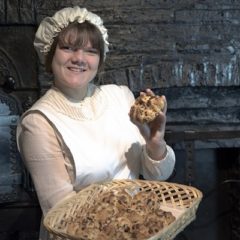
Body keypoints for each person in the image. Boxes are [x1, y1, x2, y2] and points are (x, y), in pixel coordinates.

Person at [16, 6, 176, 240]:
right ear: (50, 54)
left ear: (99, 60)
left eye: (90, 51)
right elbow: (64, 215)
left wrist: (155, 142)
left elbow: (159, 176)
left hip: (138, 228)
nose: (79, 58)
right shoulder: (39, 122)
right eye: (68, 47)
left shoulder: (120, 96)